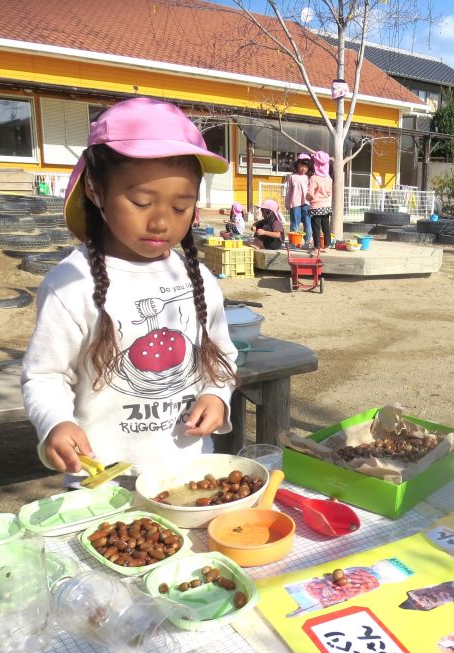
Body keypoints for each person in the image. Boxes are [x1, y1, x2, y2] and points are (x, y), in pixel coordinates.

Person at [21, 97, 239, 478]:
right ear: (94, 188)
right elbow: (45, 375)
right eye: (141, 202)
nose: (160, 223)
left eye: (180, 207)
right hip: (106, 477)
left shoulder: (197, 277)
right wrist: (55, 422)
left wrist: (216, 395)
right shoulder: (71, 284)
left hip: (192, 468)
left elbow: (221, 356)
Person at [306, 150, 332, 249]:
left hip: (316, 207)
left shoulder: (314, 178)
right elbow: (329, 192)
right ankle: (327, 245)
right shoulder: (329, 178)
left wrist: (307, 197)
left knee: (316, 227)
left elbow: (310, 194)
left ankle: (316, 246)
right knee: (326, 227)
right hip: (326, 206)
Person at [285, 154, 312, 247]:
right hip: (295, 203)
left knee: (308, 223)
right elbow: (289, 191)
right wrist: (287, 203)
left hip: (307, 204)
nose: (303, 168)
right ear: (297, 165)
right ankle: (294, 242)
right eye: (301, 166)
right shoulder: (292, 177)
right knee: (294, 223)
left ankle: (307, 241)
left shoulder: (309, 177)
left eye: (305, 166)